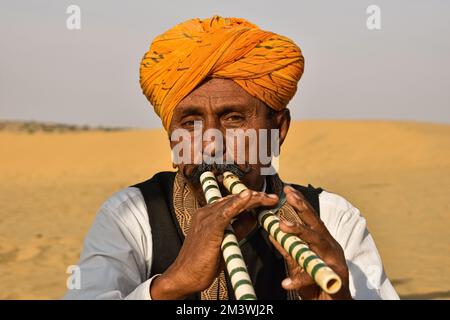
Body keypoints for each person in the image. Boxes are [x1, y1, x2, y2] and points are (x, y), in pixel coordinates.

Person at [64, 16, 399, 300]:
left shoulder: (334, 218)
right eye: (190, 123)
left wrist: (338, 297)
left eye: (234, 119)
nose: (211, 145)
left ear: (278, 129)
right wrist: (169, 286)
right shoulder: (130, 216)